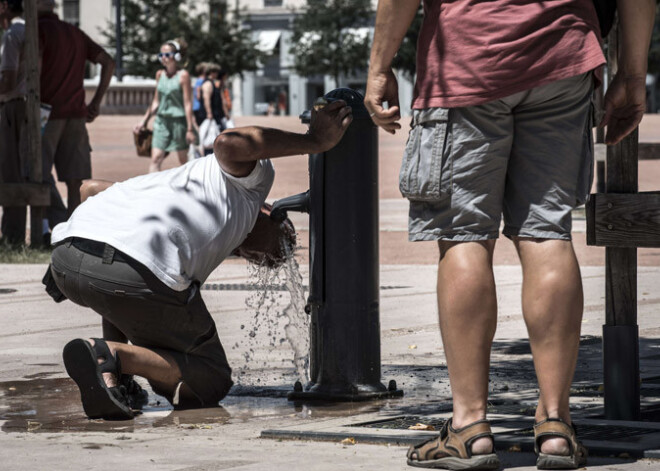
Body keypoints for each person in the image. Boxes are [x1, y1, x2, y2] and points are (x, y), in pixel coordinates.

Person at [365, 0, 655, 469]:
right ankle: (556, 427)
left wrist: (380, 66)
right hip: (563, 56)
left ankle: (469, 427)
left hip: (466, 58)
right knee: (548, 235)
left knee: (463, 237)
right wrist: (634, 73)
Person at [44, 100, 352, 420]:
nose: (270, 257)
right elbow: (228, 143)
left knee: (162, 358)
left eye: (267, 260)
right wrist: (316, 141)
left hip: (67, 260)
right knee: (211, 379)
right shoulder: (251, 185)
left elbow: (90, 190)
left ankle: (114, 375)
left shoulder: (190, 197)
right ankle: (108, 355)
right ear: (271, 213)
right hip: (124, 269)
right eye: (283, 242)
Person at [37, 0, 115, 218]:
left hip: (45, 113)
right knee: (75, 181)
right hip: (76, 114)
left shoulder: (37, 31)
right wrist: (96, 102)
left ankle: (52, 223)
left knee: (38, 175)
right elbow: (108, 61)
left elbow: (35, 69)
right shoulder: (74, 32)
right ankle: (74, 230)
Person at [133, 39, 196, 173]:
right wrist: (144, 121)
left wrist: (190, 128)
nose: (164, 58)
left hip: (179, 122)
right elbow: (156, 101)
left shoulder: (183, 76)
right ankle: (152, 190)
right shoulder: (159, 74)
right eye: (161, 55)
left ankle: (189, 189)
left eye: (167, 55)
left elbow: (187, 103)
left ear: (176, 56)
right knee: (156, 158)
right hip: (161, 122)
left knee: (183, 160)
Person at [0, 0, 26, 245]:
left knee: (11, 171)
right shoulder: (28, 28)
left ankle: (12, 234)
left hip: (12, 106)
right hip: (26, 106)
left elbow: (7, 80)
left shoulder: (12, 34)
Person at [195, 63, 225, 155]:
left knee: (214, 137)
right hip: (210, 115)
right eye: (216, 72)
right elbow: (206, 98)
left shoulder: (211, 83)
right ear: (212, 72)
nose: (217, 74)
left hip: (214, 114)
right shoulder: (208, 84)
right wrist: (209, 113)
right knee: (209, 139)